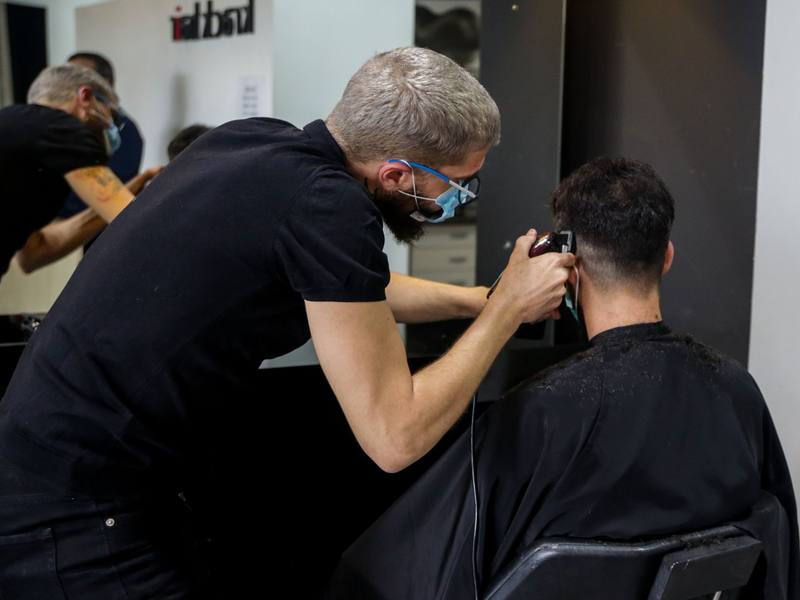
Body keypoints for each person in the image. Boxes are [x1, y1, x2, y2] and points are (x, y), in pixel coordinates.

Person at [0, 47, 573, 598]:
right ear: (399, 175)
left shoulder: (248, 141)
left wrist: (478, 299)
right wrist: (504, 314)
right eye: (455, 183)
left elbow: (349, 290)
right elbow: (395, 437)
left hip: (51, 467)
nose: (459, 198)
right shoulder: (331, 208)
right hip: (77, 502)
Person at [326, 158, 799, 600]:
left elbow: (404, 568)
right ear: (668, 257)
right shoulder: (737, 388)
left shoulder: (542, 410)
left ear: (567, 265)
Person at [0, 64, 159, 278]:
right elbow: (136, 225)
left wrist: (130, 190)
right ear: (86, 97)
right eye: (110, 114)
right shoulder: (64, 129)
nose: (110, 127)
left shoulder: (15, 127)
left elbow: (33, 254)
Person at [59, 52, 146, 220]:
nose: (66, 85)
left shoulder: (124, 133)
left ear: (105, 83)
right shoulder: (65, 125)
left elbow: (104, 195)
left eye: (76, 77)